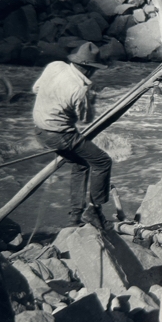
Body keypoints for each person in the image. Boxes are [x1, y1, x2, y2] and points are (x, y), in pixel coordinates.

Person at [32, 42, 112, 229]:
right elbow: (85, 119)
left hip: (39, 130)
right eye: (94, 69)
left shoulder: (55, 66)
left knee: (81, 163)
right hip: (60, 135)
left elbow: (36, 89)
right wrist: (90, 101)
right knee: (102, 162)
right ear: (88, 69)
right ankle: (94, 210)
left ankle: (75, 215)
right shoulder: (79, 89)